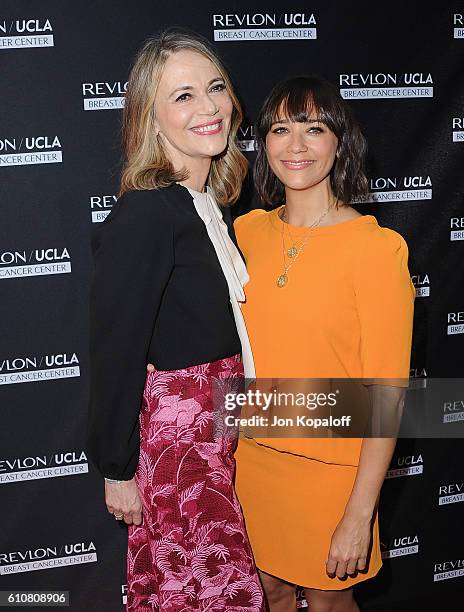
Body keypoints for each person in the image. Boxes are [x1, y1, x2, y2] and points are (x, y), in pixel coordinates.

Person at [86, 29, 264, 611]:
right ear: (150, 118)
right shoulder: (146, 213)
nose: (209, 106)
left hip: (218, 437)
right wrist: (117, 468)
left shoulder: (206, 205)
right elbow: (117, 350)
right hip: (180, 452)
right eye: (183, 96)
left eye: (215, 88)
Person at [231, 76, 416, 612]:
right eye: (281, 129)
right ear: (263, 142)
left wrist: (361, 514)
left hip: (331, 475)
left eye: (313, 129)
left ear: (340, 142)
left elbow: (388, 393)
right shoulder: (246, 233)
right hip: (251, 461)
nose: (295, 146)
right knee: (270, 595)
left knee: (329, 601)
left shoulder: (376, 250)